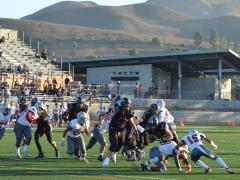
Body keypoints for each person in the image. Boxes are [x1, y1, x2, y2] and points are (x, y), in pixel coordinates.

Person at [102, 97, 137, 168]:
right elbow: (111, 114)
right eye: (126, 105)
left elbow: (132, 123)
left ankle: (112, 155)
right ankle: (105, 162)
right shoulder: (117, 109)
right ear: (123, 104)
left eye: (128, 105)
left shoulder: (129, 112)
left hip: (121, 130)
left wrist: (135, 130)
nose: (128, 107)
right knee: (114, 144)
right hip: (113, 129)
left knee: (118, 147)